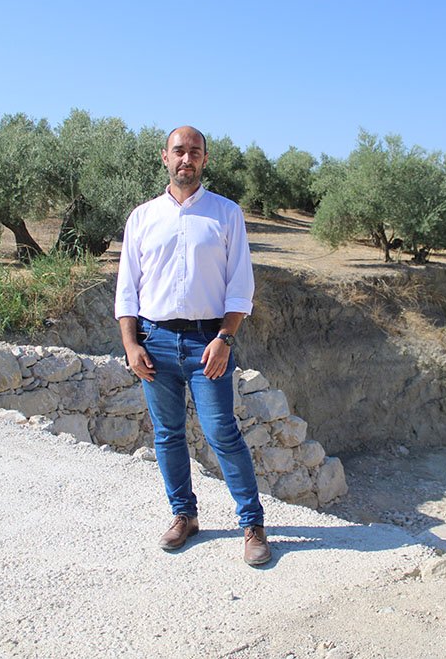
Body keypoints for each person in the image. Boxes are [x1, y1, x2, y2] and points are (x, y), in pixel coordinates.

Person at [114, 125, 271, 566]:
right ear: (164, 157)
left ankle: (252, 524)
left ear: (205, 160)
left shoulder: (226, 214)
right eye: (179, 151)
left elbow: (240, 286)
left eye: (195, 152)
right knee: (167, 434)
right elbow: (128, 287)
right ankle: (184, 515)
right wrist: (130, 344)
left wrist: (225, 338)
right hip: (155, 340)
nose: (187, 159)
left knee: (222, 431)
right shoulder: (142, 217)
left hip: (209, 343)